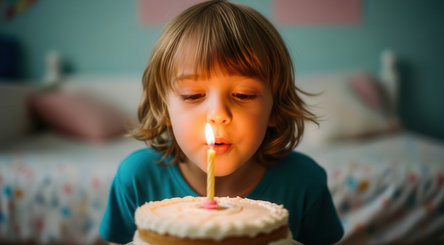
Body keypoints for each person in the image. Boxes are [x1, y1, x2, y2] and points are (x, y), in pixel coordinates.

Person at [99, 0, 343, 244]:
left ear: (276, 108)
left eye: (243, 95)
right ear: (164, 109)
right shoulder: (137, 179)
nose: (218, 114)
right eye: (193, 95)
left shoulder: (304, 182)